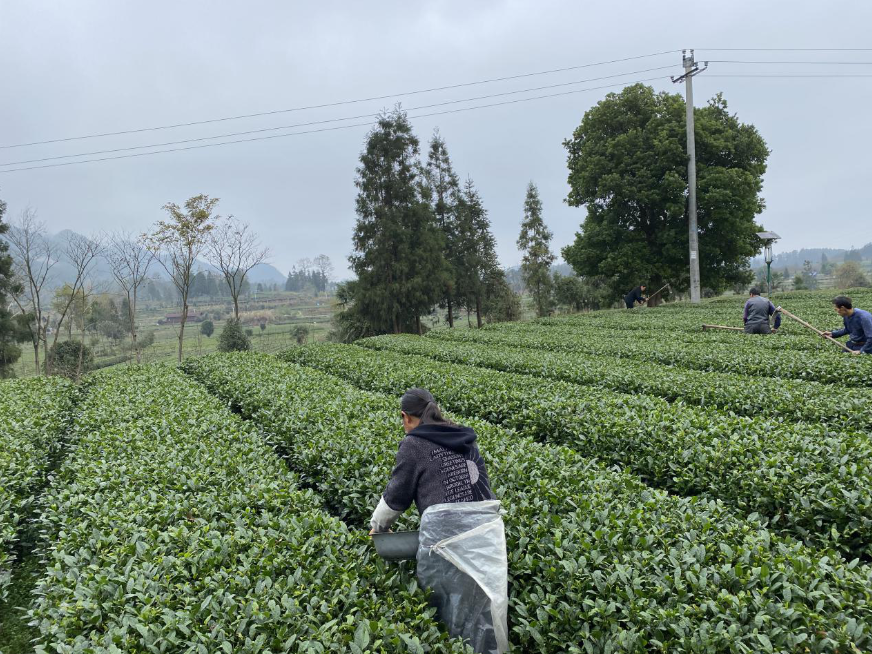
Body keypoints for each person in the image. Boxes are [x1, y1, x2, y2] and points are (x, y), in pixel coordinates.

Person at [370, 388, 508, 654]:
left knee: (447, 608)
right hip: (486, 534)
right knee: (482, 607)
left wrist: (378, 526)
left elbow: (397, 495)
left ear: (405, 417)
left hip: (447, 539)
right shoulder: (462, 435)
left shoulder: (414, 444)